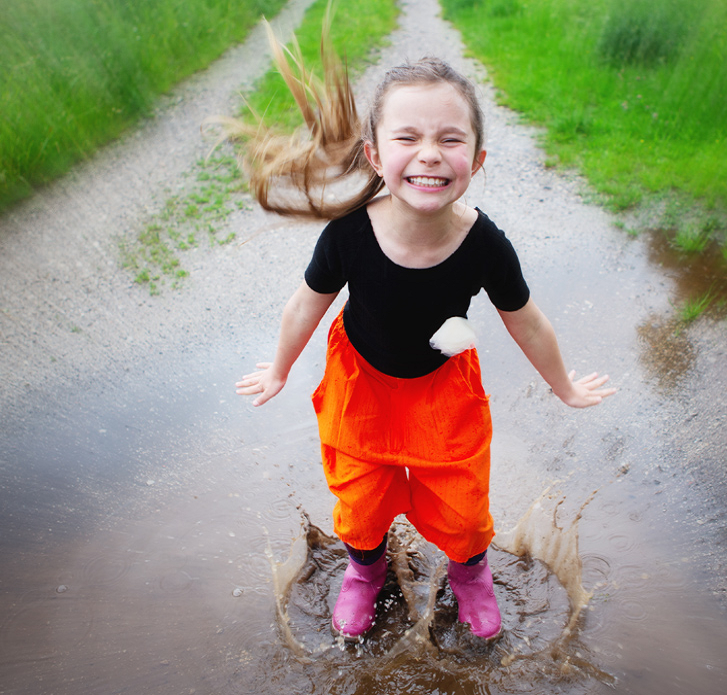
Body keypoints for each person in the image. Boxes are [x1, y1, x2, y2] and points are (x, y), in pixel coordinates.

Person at [233, 27, 615, 641]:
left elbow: (526, 319)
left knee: (463, 506)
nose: (430, 153)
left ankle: (469, 575)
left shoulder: (483, 244)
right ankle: (365, 569)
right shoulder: (349, 236)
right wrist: (279, 368)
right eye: (408, 137)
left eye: (450, 139)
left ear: (477, 161)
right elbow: (305, 305)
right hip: (361, 384)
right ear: (376, 156)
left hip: (443, 390)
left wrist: (565, 384)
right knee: (359, 502)